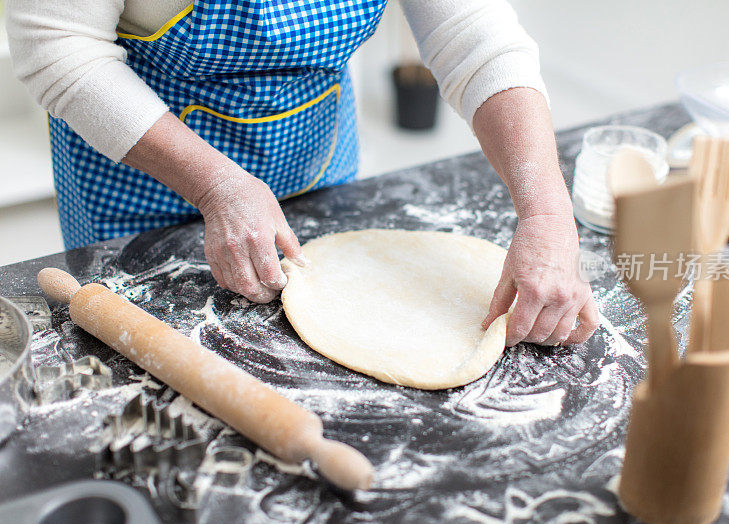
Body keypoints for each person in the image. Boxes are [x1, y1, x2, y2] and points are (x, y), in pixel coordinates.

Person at [7, 0, 599, 347]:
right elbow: (59, 47)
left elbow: (477, 37)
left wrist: (547, 213)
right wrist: (218, 185)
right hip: (138, 181)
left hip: (317, 162)